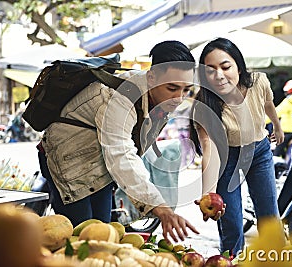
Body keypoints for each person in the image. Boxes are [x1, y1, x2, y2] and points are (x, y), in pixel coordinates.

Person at [39, 40, 199, 243]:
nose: (179, 98)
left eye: (186, 90)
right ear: (151, 77)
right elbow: (121, 153)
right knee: (80, 240)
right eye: (172, 88)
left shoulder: (159, 99)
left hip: (100, 164)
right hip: (67, 160)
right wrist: (160, 208)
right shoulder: (118, 98)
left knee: (104, 235)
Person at [189, 37, 284, 256]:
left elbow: (268, 104)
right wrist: (208, 193)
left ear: (239, 67)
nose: (219, 75)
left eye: (225, 66)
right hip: (227, 159)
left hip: (259, 152)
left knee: (269, 216)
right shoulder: (204, 105)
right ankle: (231, 260)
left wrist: (277, 127)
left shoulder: (259, 82)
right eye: (210, 70)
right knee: (230, 221)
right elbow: (209, 147)